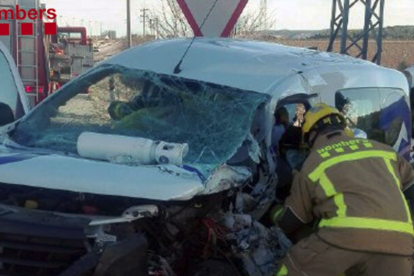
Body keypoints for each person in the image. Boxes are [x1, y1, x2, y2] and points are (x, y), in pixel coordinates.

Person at [273, 103, 414, 276]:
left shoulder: (313, 162)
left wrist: (275, 212)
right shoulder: (383, 150)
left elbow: (292, 220)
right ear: (343, 126)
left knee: (293, 267)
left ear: (312, 135)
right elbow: (411, 188)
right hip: (400, 242)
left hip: (345, 238)